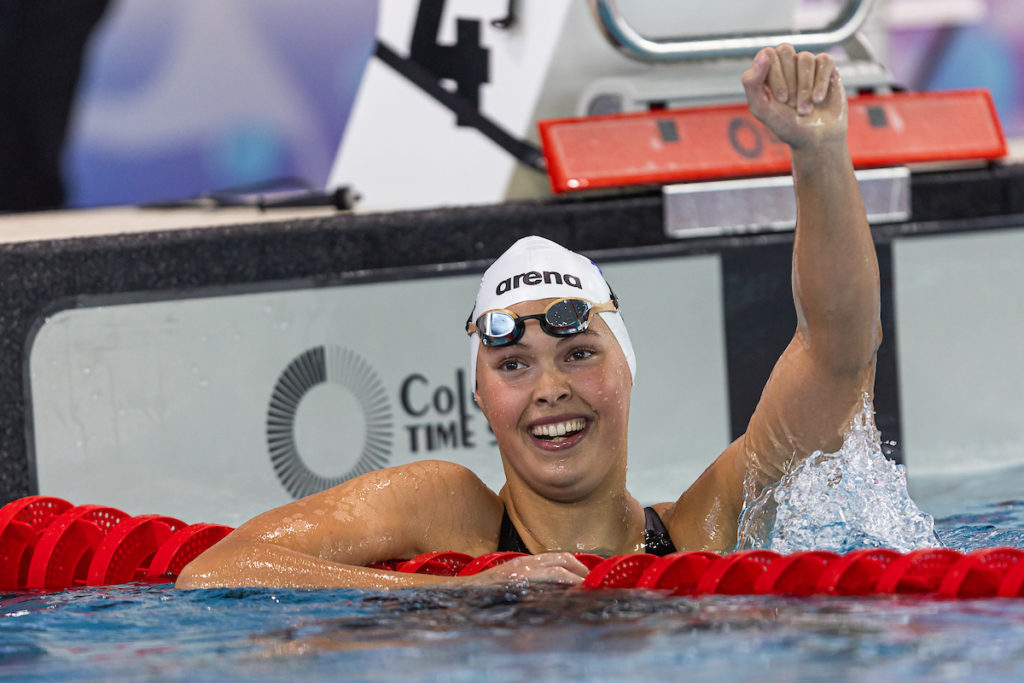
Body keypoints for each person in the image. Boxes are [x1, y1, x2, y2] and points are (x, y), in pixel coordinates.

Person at [176, 45, 880, 590]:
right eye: (514, 364)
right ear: (481, 396)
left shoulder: (706, 526)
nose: (549, 388)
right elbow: (218, 569)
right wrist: (454, 592)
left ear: (625, 369)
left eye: (577, 352)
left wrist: (818, 153)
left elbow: (837, 353)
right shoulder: (444, 512)